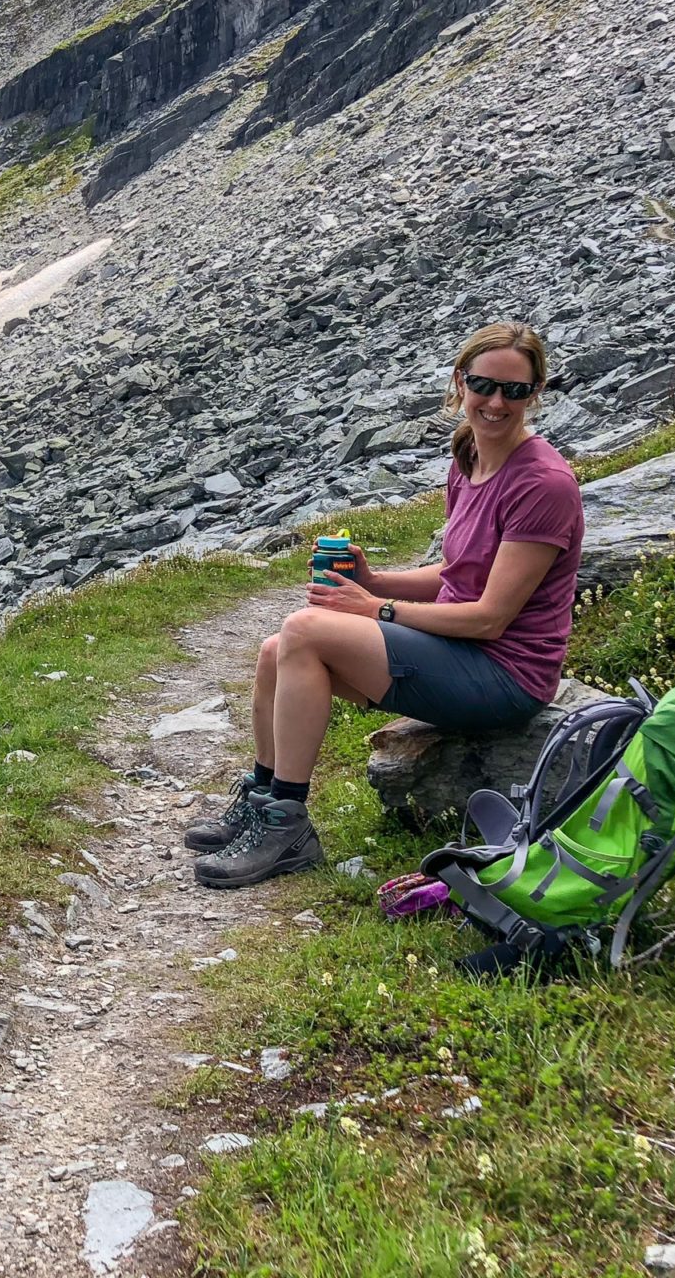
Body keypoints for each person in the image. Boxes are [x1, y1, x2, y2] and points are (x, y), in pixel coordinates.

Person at [186, 321, 585, 889]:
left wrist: (375, 607)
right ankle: (264, 801)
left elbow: (490, 615)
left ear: (535, 393)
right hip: (460, 653)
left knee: (304, 630)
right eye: (484, 385)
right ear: (460, 383)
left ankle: (287, 827)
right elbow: (458, 575)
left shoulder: (543, 483)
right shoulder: (471, 455)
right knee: (278, 651)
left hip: (507, 675)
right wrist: (376, 579)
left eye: (515, 391)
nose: (497, 402)